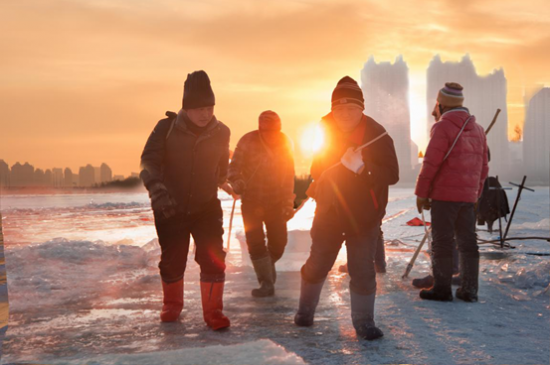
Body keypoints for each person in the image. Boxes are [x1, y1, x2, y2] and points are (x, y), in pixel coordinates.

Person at [294, 76, 399, 340]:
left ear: (361, 108)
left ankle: (364, 322)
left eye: (351, 108)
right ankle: (305, 310)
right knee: (318, 263)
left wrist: (363, 169)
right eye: (339, 109)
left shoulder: (378, 134)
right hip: (330, 210)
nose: (344, 114)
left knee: (362, 269)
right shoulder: (324, 131)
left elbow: (393, 173)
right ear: (332, 110)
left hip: (364, 216)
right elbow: (317, 169)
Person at [139, 70, 231, 329]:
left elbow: (222, 168)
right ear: (187, 108)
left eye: (210, 108)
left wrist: (228, 180)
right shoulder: (166, 128)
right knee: (173, 259)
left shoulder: (222, 132)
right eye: (200, 108)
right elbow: (148, 162)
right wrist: (158, 192)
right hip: (171, 207)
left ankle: (214, 312)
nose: (206, 114)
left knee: (214, 258)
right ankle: (171, 305)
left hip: (206, 208)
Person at [415, 82, 489, 302]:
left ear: (442, 104)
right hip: (467, 197)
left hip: (444, 198)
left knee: (442, 242)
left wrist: (421, 193)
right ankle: (469, 290)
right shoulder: (478, 129)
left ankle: (442, 289)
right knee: (467, 243)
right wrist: (476, 194)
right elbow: (483, 168)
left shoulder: (442, 127)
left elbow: (431, 163)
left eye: (437, 104)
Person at [228, 111, 295, 297]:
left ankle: (266, 265)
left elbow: (289, 174)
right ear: (260, 127)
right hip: (251, 201)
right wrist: (237, 181)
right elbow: (233, 168)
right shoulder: (247, 140)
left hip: (276, 202)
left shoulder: (285, 143)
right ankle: (266, 284)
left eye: (273, 130)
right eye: (266, 130)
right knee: (255, 243)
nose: (270, 134)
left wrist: (288, 202)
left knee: (279, 243)